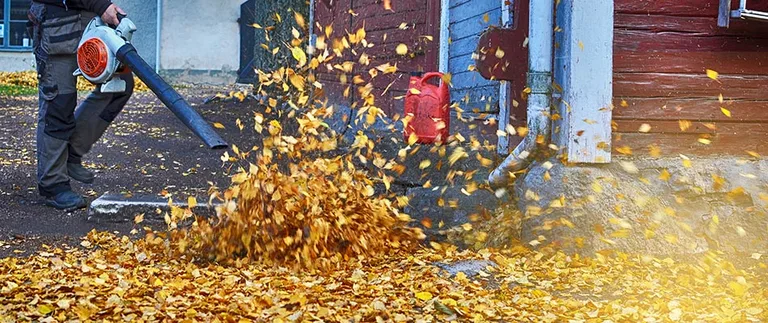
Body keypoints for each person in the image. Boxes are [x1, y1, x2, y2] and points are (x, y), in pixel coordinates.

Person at [28, 0, 132, 210]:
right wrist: (102, 5)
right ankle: (53, 184)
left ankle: (71, 153)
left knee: (120, 85)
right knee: (59, 102)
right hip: (56, 24)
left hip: (91, 23)